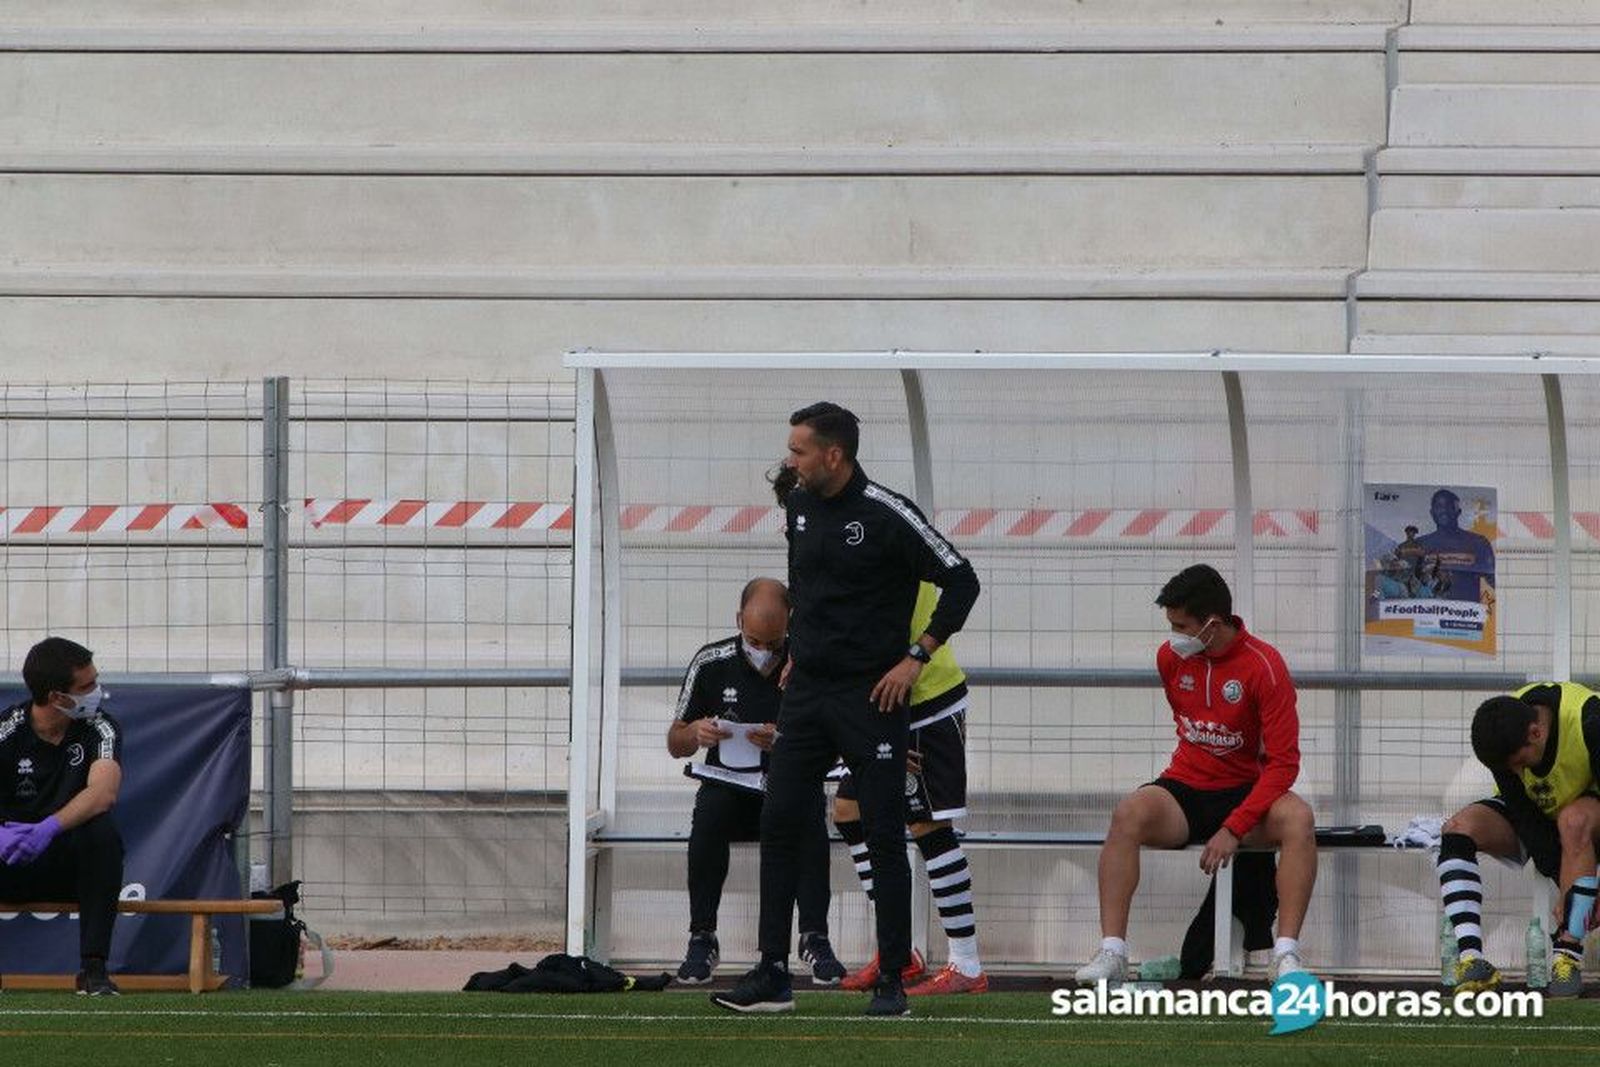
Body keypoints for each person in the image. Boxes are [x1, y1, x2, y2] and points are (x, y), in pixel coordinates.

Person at [712, 402, 980, 1017]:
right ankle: (773, 974)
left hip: (871, 695)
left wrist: (916, 657)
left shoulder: (887, 513)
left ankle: (893, 979)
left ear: (834, 454)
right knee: (781, 822)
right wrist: (800, 649)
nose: (790, 460)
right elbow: (807, 582)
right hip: (807, 696)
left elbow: (962, 579)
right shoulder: (800, 505)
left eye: (800, 450)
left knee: (886, 832)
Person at [771, 464, 986, 996]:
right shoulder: (820, 535)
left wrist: (916, 659)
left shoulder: (880, 530)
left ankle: (967, 964)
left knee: (926, 824)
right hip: (866, 701)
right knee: (848, 810)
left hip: (921, 698)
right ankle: (901, 950)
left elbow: (951, 586)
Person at [1075, 564, 1317, 985]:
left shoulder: (1265, 666)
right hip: (1186, 788)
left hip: (1247, 794)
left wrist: (1235, 827)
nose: (1174, 636)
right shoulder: (1170, 657)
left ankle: (1287, 956)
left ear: (1212, 624)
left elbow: (1283, 764)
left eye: (1181, 626)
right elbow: (1187, 723)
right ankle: (1112, 954)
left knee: (1298, 818)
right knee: (1129, 813)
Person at [666, 578, 843, 985]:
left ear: (790, 627)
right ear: (738, 623)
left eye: (773, 644)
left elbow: (835, 736)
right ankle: (702, 936)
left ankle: (814, 937)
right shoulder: (712, 662)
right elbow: (675, 741)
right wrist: (696, 732)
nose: (763, 653)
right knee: (709, 813)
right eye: (754, 641)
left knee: (811, 816)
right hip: (730, 785)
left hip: (787, 783)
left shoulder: (807, 661)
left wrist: (785, 740)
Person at [1437, 683, 1600, 997]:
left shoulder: (1591, 721)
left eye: (1520, 763)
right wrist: (1563, 880)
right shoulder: (1502, 732)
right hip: (1536, 815)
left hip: (1586, 815)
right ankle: (1472, 961)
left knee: (1573, 821)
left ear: (1536, 733)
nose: (1517, 772)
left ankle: (1567, 955)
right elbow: (1526, 819)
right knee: (1457, 828)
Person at [0, 637, 124, 995]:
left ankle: (93, 970)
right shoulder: (7, 730)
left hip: (67, 863)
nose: (97, 692)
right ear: (56, 697)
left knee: (101, 833)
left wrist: (48, 829)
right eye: (86, 687)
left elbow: (104, 793)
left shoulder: (101, 727)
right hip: (11, 861)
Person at [1416, 489, 1495, 588]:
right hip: (1430, 603)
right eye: (1439, 507)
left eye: (1449, 506)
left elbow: (1495, 582)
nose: (1444, 510)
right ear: (1432, 513)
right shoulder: (1419, 544)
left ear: (1458, 512)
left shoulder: (1479, 543)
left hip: (1467, 603)